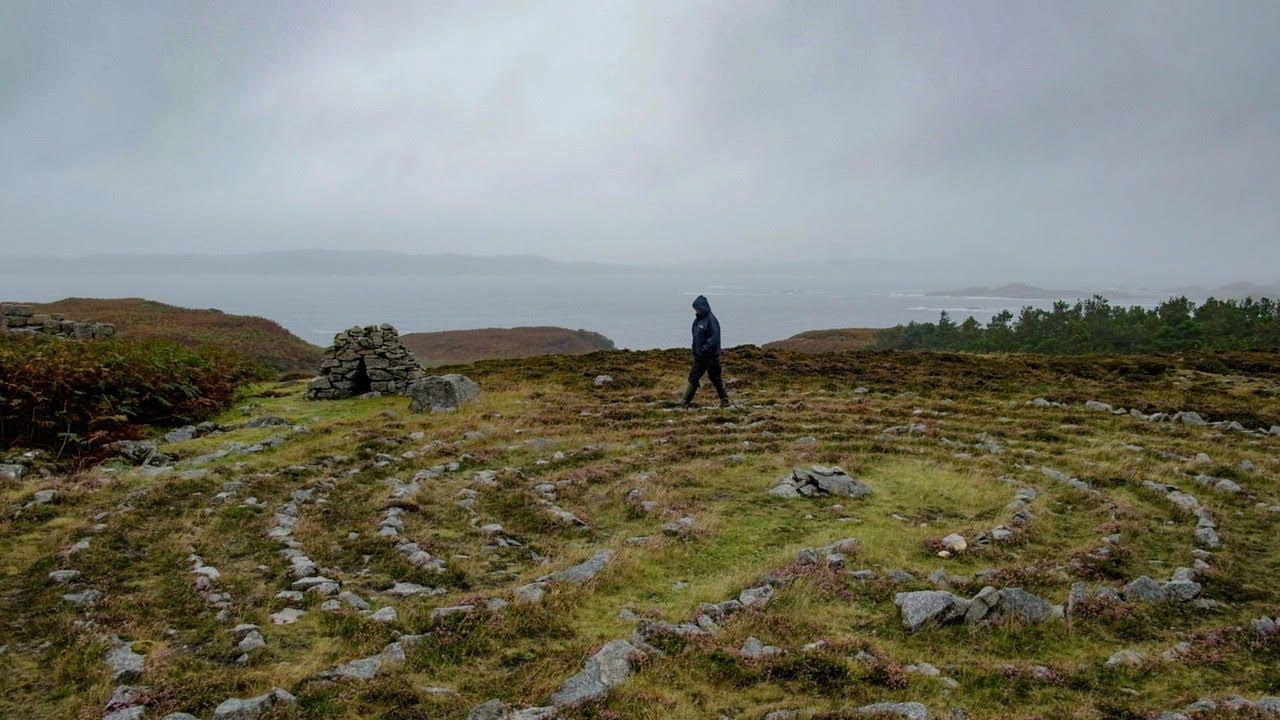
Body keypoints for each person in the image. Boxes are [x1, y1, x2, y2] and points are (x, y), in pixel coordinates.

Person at [683, 295, 731, 408]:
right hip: (700, 357)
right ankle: (685, 402)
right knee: (693, 377)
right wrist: (696, 351)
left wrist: (704, 350)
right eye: (695, 308)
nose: (697, 310)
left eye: (698, 308)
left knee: (715, 378)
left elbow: (713, 340)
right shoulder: (697, 321)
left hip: (710, 357)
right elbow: (696, 338)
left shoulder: (711, 320)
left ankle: (725, 401)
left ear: (704, 307)